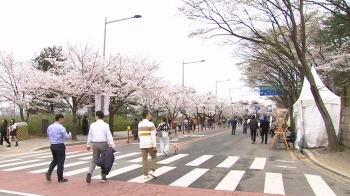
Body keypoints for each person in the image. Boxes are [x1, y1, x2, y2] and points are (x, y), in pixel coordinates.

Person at [86, 110, 115, 183]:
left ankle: (89, 172)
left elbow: (90, 135)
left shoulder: (92, 125)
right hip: (103, 143)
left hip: (95, 144)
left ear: (97, 116)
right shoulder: (105, 125)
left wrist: (88, 144)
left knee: (94, 159)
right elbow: (109, 135)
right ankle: (103, 176)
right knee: (104, 159)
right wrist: (112, 145)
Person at [46, 114, 71, 183]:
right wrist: (70, 134)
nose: (63, 120)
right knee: (60, 162)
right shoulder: (61, 127)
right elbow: (67, 137)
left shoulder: (50, 127)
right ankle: (60, 178)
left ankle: (49, 171)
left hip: (52, 145)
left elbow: (48, 134)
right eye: (63, 119)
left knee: (55, 160)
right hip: (59, 145)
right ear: (59, 119)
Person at [138, 110, 157, 179]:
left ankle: (145, 174)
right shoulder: (151, 124)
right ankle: (152, 170)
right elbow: (153, 135)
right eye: (149, 114)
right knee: (154, 157)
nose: (150, 115)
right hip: (149, 143)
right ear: (147, 115)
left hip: (142, 144)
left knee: (144, 159)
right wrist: (154, 145)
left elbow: (139, 134)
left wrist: (142, 140)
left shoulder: (140, 124)